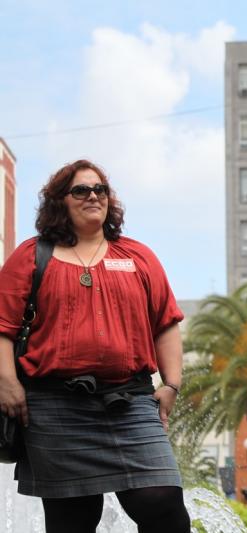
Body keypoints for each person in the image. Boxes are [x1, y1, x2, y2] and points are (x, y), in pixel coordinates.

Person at [0, 160, 190, 533]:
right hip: (54, 407)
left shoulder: (138, 256)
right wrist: (8, 382)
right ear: (60, 201)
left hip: (130, 402)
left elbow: (166, 323)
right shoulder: (31, 255)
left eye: (100, 189)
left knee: (163, 503)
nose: (93, 196)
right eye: (81, 190)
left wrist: (171, 385)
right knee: (73, 519)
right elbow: (3, 326)